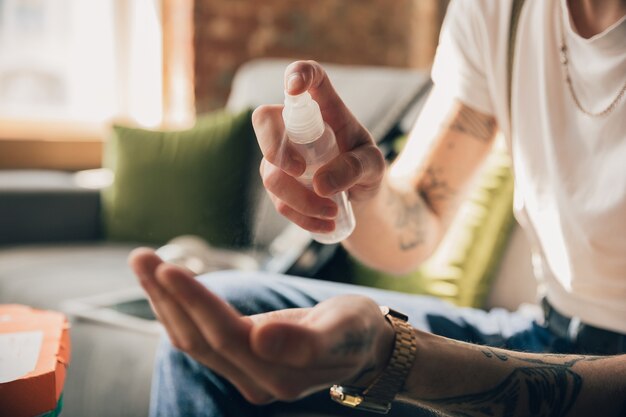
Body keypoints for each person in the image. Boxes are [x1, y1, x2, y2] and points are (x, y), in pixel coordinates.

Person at [129, 0, 626, 415]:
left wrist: (396, 357)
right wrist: (362, 194)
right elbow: (419, 222)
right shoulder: (501, 11)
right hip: (547, 331)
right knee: (215, 327)